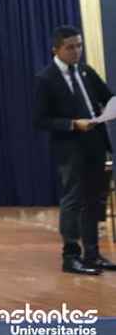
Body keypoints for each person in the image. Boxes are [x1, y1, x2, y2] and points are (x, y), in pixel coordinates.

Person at [33, 25, 115, 275]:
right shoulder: (46, 79)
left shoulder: (86, 71)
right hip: (70, 148)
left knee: (95, 199)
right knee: (74, 200)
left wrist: (108, 110)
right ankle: (71, 256)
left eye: (79, 46)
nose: (76, 51)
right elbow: (40, 120)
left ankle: (92, 254)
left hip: (95, 143)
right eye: (70, 47)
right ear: (56, 50)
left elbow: (108, 96)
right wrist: (72, 124)